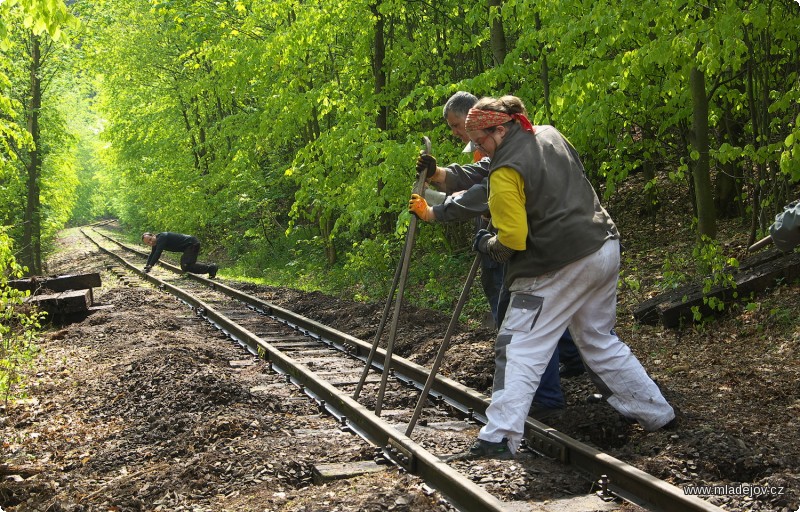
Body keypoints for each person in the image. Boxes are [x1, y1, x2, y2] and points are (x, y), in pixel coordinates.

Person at [456, 95, 675, 460]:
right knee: (597, 339)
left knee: (519, 346)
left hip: (556, 265)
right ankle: (658, 414)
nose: (479, 150)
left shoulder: (505, 170)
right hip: (602, 247)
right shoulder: (550, 134)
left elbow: (512, 240)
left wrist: (486, 244)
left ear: (500, 128)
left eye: (481, 141)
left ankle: (498, 437)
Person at [408, 91, 579, 420]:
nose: (459, 133)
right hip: (547, 244)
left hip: (525, 245)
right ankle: (560, 379)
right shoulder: (528, 139)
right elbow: (479, 177)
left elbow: (484, 192)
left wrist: (434, 212)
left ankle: (541, 399)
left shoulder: (512, 148)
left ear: (488, 123)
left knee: (519, 325)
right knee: (561, 324)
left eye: (458, 125)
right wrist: (438, 174)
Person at [141, 232, 218, 278]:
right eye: (148, 243)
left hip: (192, 244)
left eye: (150, 239)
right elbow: (152, 254)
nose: (150, 243)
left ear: (153, 235)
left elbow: (158, 252)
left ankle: (211, 268)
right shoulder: (156, 242)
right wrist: (147, 266)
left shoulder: (162, 237)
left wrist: (150, 265)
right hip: (187, 247)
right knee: (185, 266)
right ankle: (210, 269)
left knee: (186, 266)